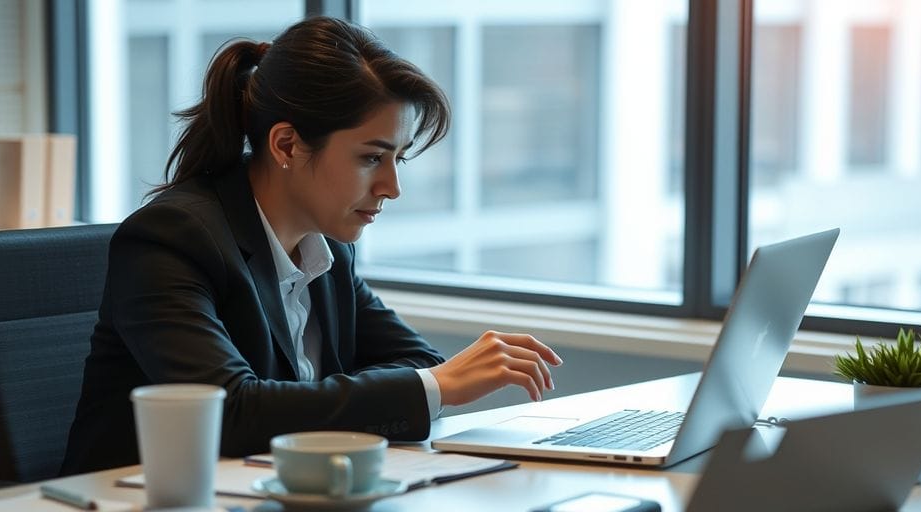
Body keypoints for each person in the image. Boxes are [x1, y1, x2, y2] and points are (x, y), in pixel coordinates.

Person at [60, 16, 561, 475]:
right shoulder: (171, 238)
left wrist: (415, 385)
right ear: (286, 145)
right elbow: (229, 412)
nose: (392, 187)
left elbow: (415, 360)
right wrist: (432, 387)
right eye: (371, 158)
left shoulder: (327, 248)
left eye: (398, 160)